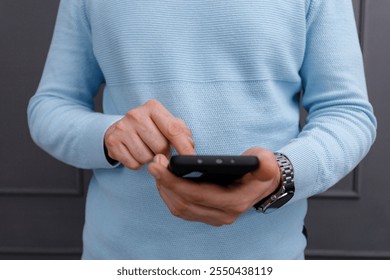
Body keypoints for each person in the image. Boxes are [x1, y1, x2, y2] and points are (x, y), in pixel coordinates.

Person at [27, 0, 376, 260]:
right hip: (118, 258)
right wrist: (108, 135)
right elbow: (50, 105)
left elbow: (347, 113)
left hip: (267, 259)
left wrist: (280, 176)